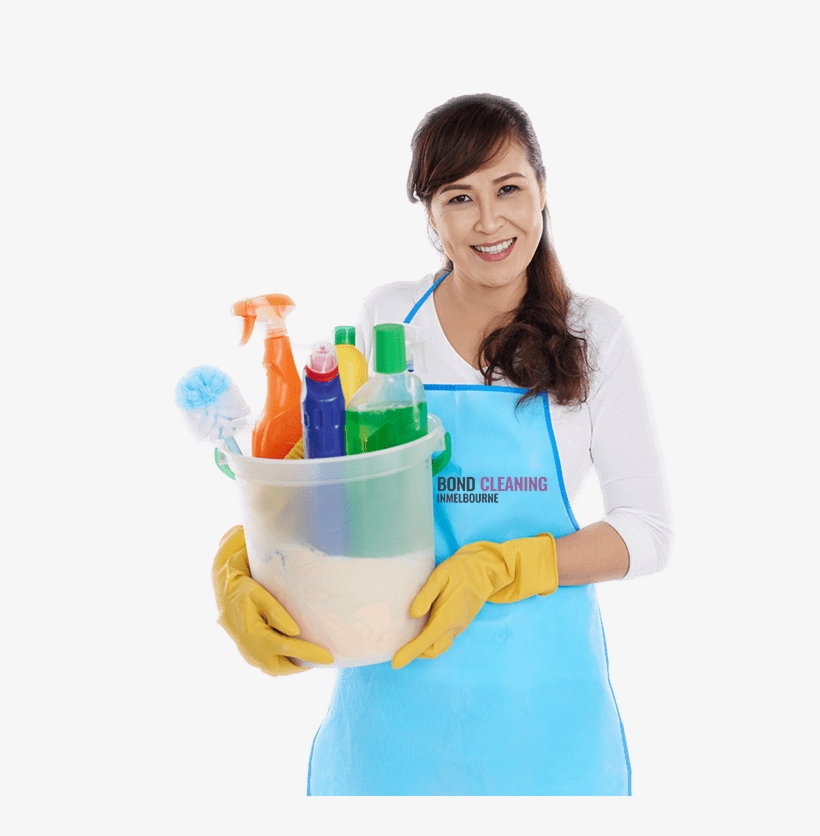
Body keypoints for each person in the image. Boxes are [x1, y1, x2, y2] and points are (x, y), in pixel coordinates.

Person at [212, 93, 673, 796]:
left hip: (543, 719)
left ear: (542, 190)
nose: (490, 221)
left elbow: (648, 533)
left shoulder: (592, 333)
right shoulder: (390, 317)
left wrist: (503, 567)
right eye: (459, 197)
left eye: (509, 188)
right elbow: (323, 487)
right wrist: (238, 564)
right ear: (430, 214)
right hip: (389, 710)